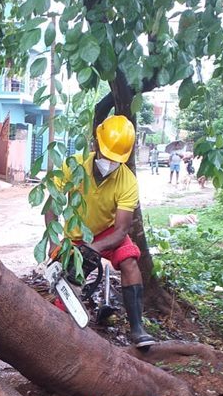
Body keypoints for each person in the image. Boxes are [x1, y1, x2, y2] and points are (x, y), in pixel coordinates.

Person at [47, 112, 155, 347]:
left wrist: (93, 248)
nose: (110, 162)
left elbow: (122, 229)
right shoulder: (73, 166)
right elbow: (53, 204)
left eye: (116, 159)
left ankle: (137, 328)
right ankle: (59, 326)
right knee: (70, 278)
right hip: (75, 234)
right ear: (95, 144)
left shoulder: (127, 181)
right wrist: (54, 241)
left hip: (108, 233)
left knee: (129, 261)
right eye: (107, 155)